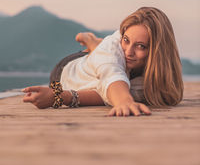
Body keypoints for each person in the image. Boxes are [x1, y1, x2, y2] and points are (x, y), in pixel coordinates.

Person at [22, 7, 183, 116]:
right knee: (108, 56)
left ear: (157, 52)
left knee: (109, 59)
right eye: (125, 40)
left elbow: (104, 93)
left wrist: (121, 98)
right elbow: (111, 75)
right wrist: (57, 96)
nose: (128, 51)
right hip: (66, 70)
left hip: (104, 67)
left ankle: (95, 45)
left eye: (140, 46)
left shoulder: (148, 80)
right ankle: (93, 44)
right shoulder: (114, 49)